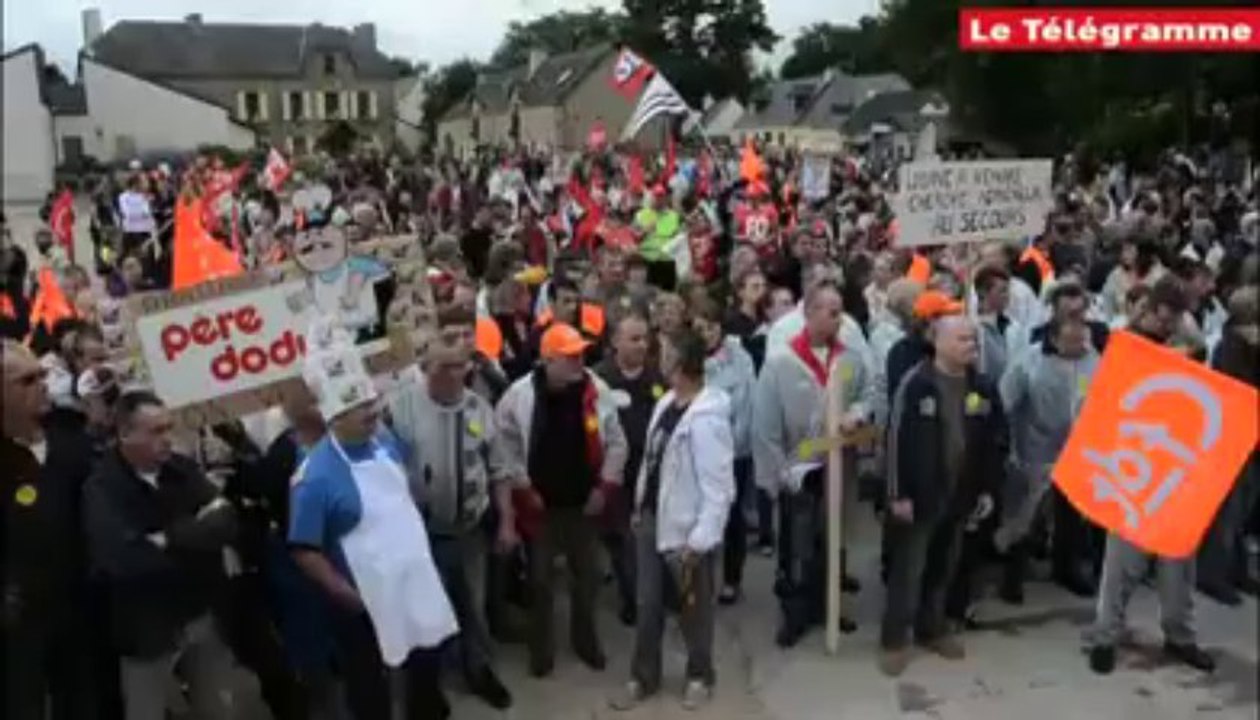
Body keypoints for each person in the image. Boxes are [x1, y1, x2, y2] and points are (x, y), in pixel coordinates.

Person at [289, 320, 458, 719]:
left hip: (414, 579)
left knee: (426, 663)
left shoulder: (385, 442)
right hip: (363, 600)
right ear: (335, 416)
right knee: (369, 684)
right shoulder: (313, 477)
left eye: (370, 403)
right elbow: (303, 549)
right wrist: (341, 591)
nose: (371, 413)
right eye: (359, 408)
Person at [83, 391, 251, 720]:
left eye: (169, 428)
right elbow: (123, 559)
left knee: (218, 707)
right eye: (156, 431)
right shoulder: (102, 489)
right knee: (146, 710)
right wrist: (197, 541)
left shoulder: (181, 469)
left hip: (198, 612)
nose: (167, 439)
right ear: (126, 434)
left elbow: (226, 521)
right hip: (147, 628)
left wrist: (169, 538)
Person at [1086, 276, 1215, 676]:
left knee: (1178, 563)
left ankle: (1180, 634)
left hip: (1174, 467)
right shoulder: (1124, 345)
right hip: (1135, 466)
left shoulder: (1184, 344)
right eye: (1169, 313)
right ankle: (1105, 636)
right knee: (1121, 564)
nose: (1172, 322)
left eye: (1179, 315)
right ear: (1154, 308)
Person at [610, 329, 735, 713]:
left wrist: (700, 539)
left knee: (694, 611)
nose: (656, 356)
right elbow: (652, 463)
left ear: (680, 363)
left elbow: (719, 487)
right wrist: (639, 507)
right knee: (647, 604)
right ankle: (643, 676)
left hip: (686, 533)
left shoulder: (708, 419)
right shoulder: (666, 403)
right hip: (652, 521)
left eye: (664, 352)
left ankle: (700, 675)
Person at [495, 323, 628, 677]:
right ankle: (541, 648)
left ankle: (585, 640)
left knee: (587, 578)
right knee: (539, 582)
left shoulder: (596, 391)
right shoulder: (519, 396)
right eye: (569, 357)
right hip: (540, 509)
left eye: (580, 355)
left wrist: (605, 488)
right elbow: (504, 447)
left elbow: (617, 443)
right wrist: (523, 488)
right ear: (547, 360)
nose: (578, 362)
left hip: (583, 506)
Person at [880, 315, 1006, 677]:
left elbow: (995, 439)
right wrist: (897, 494)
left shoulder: (981, 387)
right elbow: (895, 440)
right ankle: (894, 640)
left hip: (961, 493)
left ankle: (931, 629)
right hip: (919, 496)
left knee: (943, 566)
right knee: (908, 571)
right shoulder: (916, 384)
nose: (972, 346)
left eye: (973, 339)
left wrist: (988, 488)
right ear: (939, 342)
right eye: (963, 339)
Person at [753, 280, 871, 647]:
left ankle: (827, 606)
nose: (839, 320)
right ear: (809, 313)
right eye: (832, 312)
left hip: (838, 464)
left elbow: (867, 395)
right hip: (797, 469)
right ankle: (794, 614)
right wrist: (777, 475)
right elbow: (766, 425)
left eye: (841, 313)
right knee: (796, 546)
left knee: (830, 540)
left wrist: (857, 413)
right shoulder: (781, 363)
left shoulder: (849, 359)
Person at [3, 340, 107, 720]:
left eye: (42, 376)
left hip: (82, 606)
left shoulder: (71, 440)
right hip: (21, 621)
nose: (42, 385)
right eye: (27, 381)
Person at [996, 317, 1100, 603]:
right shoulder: (1028, 362)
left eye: (1083, 340)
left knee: (1072, 516)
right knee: (1024, 516)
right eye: (1072, 341)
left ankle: (1066, 568)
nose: (1080, 346)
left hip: (1078, 451)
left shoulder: (1093, 361)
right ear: (1054, 339)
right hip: (1034, 449)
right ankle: (1013, 575)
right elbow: (1005, 399)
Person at [594, 310, 666, 626]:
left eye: (645, 339)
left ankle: (652, 592)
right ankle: (632, 598)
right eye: (634, 339)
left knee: (648, 537)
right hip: (616, 475)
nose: (642, 345)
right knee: (623, 540)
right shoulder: (600, 380)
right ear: (615, 341)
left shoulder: (657, 378)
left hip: (650, 472)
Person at [691, 296, 757, 604]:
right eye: (700, 329)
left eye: (712, 327)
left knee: (732, 516)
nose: (707, 334)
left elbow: (748, 403)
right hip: (698, 451)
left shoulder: (739, 358)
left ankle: (732, 578)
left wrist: (735, 445)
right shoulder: (688, 361)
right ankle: (697, 580)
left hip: (734, 450)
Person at [1197, 284, 1259, 603]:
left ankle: (1237, 569)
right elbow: (1239, 389)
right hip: (1234, 437)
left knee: (1244, 508)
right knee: (1228, 511)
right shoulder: (1230, 348)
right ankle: (1213, 574)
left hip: (1251, 437)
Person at [973, 265, 1027, 384]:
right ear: (983, 293)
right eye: (1002, 291)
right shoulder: (973, 328)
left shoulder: (1013, 327)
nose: (1007, 296)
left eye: (1007, 291)